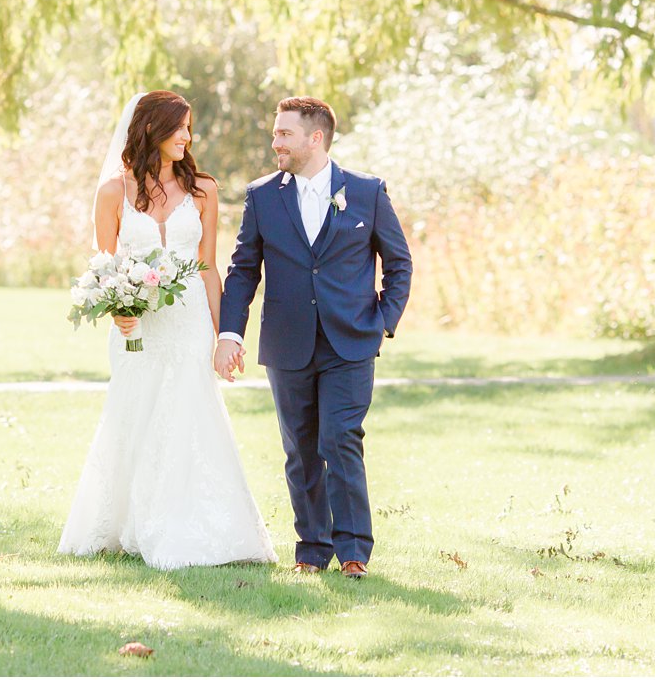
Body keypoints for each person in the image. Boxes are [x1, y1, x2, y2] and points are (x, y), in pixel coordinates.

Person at [58, 90, 276, 569]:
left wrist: (224, 337)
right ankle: (128, 521)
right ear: (152, 129)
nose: (188, 136)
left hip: (190, 322)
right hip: (139, 327)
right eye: (179, 127)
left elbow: (208, 269)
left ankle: (187, 522)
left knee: (189, 414)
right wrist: (118, 310)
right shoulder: (113, 192)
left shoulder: (203, 190)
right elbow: (105, 267)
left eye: (189, 128)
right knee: (134, 411)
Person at [217, 96, 412, 580]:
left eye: (284, 133)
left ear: (315, 137)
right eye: (276, 133)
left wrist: (382, 318)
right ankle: (311, 549)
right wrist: (229, 332)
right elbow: (243, 270)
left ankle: (353, 552)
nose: (275, 141)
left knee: (340, 437)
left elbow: (399, 261)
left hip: (351, 341)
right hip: (288, 341)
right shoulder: (263, 195)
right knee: (301, 447)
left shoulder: (366, 192)